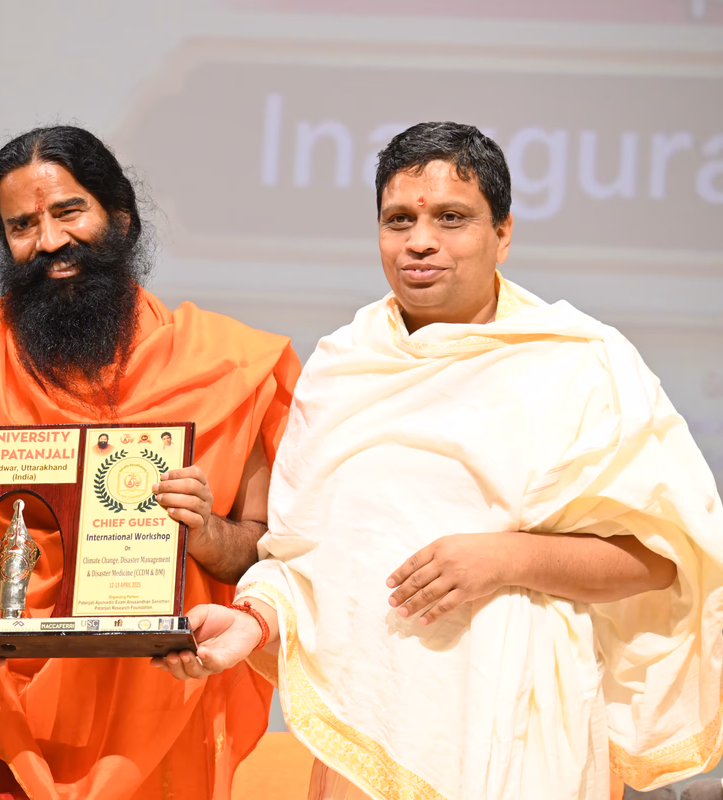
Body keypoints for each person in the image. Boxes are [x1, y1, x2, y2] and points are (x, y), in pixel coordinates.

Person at [157, 122, 723, 799]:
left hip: (522, 732)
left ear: (503, 233)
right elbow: (308, 562)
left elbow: (661, 558)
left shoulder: (580, 362)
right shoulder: (343, 369)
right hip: (370, 733)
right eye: (399, 220)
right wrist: (252, 621)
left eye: (451, 218)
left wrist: (506, 558)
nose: (420, 241)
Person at [0, 126, 301, 800]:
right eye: (22, 224)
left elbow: (265, 552)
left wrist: (203, 532)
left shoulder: (230, 369)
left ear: (120, 218)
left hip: (163, 707)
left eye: (68, 212)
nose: (50, 241)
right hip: (9, 717)